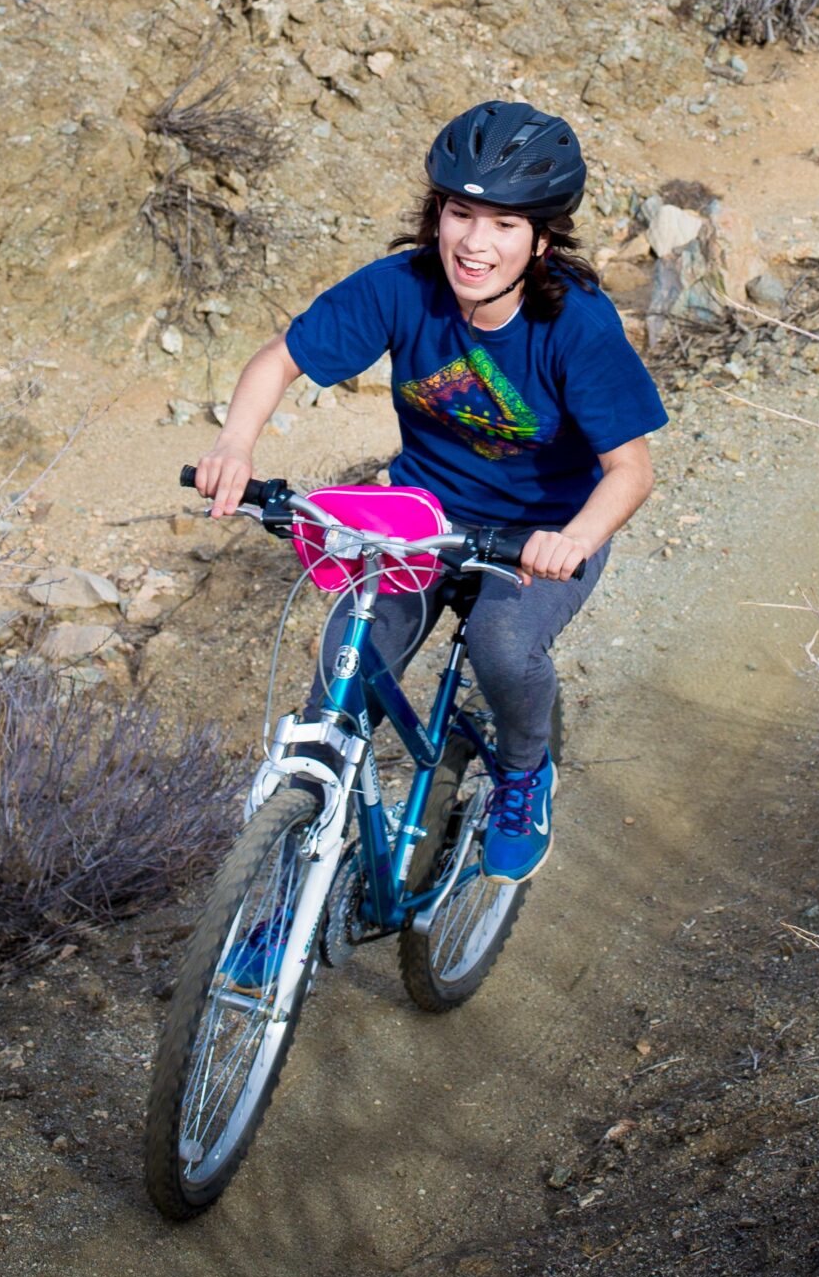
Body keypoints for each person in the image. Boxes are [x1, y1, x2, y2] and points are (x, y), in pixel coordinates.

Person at [193, 101, 667, 884]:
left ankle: (522, 774)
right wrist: (234, 446)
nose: (474, 243)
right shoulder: (402, 287)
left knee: (502, 646)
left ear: (542, 240)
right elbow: (278, 361)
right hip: (424, 515)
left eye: (505, 225)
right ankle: (278, 896)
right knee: (340, 693)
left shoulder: (576, 326)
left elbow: (631, 470)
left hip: (540, 529)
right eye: (460, 214)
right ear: (435, 214)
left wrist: (573, 542)